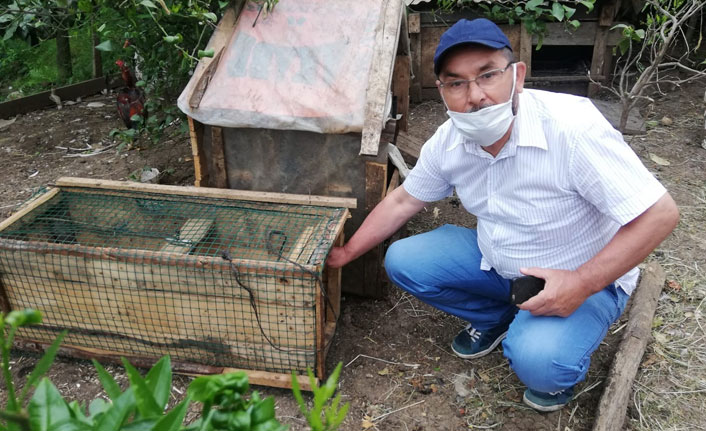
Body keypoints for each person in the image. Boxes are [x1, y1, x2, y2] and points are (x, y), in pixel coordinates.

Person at [327, 18, 679, 412]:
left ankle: (551, 344)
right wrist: (346, 253)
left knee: (540, 364)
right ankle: (498, 316)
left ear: (517, 75)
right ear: (442, 91)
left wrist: (581, 282)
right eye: (456, 82)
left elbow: (660, 214)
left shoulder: (572, 128)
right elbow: (402, 201)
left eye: (488, 75)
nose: (475, 95)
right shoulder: (449, 140)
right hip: (499, 260)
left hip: (582, 273)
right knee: (404, 261)